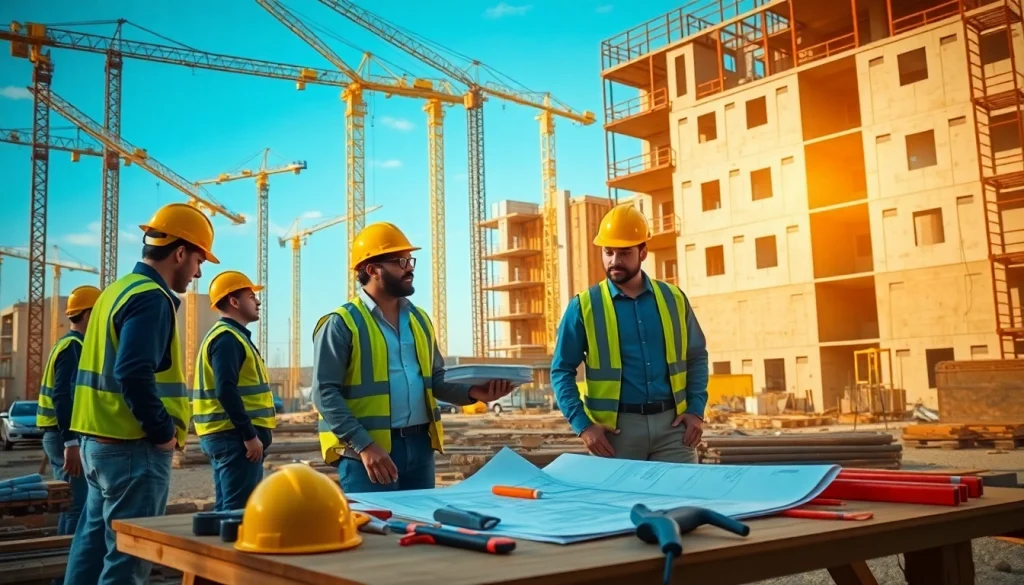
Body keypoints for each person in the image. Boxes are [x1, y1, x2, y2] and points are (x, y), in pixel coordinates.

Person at [65, 203, 218, 585]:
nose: (199, 272)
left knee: (91, 546)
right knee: (128, 558)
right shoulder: (152, 296)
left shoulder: (114, 292)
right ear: (180, 252)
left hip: (96, 444)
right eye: (199, 260)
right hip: (133, 447)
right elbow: (133, 372)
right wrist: (163, 431)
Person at [312, 221, 514, 493]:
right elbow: (324, 393)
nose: (409, 268)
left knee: (418, 530)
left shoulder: (419, 320)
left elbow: (436, 380)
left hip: (420, 448)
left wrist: (475, 393)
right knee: (377, 532)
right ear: (372, 270)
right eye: (400, 261)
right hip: (367, 453)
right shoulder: (341, 323)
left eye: (410, 260)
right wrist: (364, 444)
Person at [550, 204, 709, 463]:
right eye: (608, 252)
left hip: (673, 430)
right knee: (619, 503)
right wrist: (583, 425)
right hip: (615, 434)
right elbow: (561, 370)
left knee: (682, 501)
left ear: (643, 252)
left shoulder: (674, 299)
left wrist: (696, 410)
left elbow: (697, 357)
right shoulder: (584, 306)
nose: (614, 261)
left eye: (624, 253)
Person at [193, 270, 276, 511]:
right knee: (238, 513)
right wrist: (249, 436)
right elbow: (226, 390)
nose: (258, 301)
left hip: (229, 437)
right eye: (251, 296)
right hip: (235, 439)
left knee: (227, 510)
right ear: (233, 301)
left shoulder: (230, 337)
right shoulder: (227, 339)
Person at [36, 285, 100, 557]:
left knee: (70, 504)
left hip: (57, 435)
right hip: (64, 437)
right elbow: (63, 397)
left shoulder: (66, 344)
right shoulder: (74, 347)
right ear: (87, 314)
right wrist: (71, 442)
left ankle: (63, 569)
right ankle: (67, 570)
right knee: (76, 505)